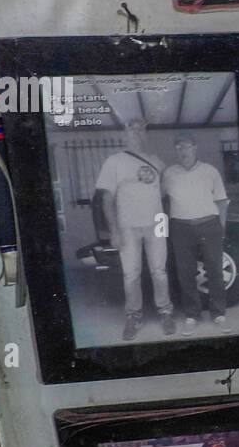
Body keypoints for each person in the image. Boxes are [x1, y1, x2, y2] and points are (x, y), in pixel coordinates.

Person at [95, 118, 175, 341]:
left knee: (159, 270)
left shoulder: (157, 161)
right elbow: (106, 198)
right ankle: (133, 316)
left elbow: (164, 192)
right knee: (131, 274)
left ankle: (165, 312)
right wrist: (114, 231)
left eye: (142, 128)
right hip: (127, 226)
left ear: (145, 133)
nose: (137, 132)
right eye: (132, 128)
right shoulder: (114, 162)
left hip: (157, 223)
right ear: (125, 133)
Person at [162, 134, 230, 336]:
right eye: (179, 147)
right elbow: (159, 200)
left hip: (209, 225)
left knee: (215, 271)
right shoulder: (168, 174)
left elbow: (221, 200)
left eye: (187, 147)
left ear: (195, 148)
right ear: (176, 151)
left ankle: (219, 315)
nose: (183, 151)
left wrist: (222, 226)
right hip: (180, 228)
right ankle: (192, 315)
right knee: (185, 274)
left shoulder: (210, 171)